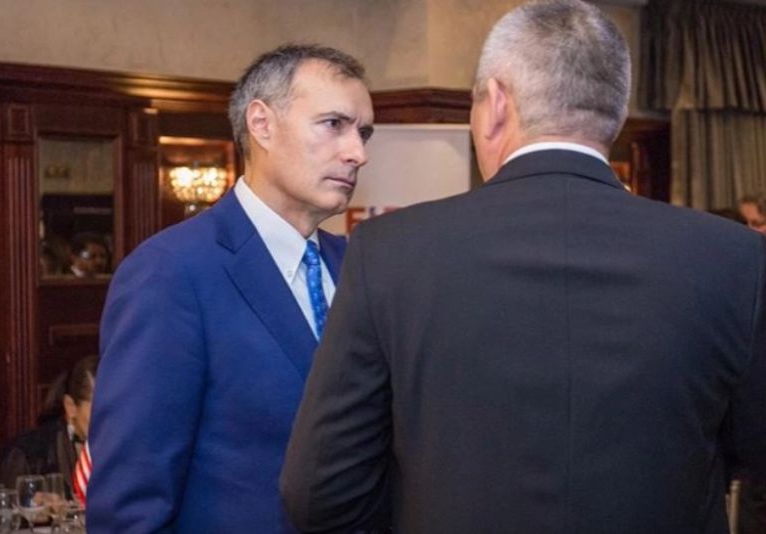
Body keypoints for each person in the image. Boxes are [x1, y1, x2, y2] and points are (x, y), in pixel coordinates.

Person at [280, 1, 766, 533]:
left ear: (495, 104)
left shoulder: (389, 252)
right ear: (615, 113)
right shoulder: (734, 258)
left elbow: (320, 493)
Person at [86, 44, 373, 533]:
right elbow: (129, 504)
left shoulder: (357, 266)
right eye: (333, 124)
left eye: (363, 133)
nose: (357, 153)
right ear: (261, 124)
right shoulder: (171, 273)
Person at [0, 355, 98, 499]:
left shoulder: (122, 449)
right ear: (71, 407)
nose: (111, 421)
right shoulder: (27, 455)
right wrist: (33, 505)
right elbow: (3, 506)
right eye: (100, 411)